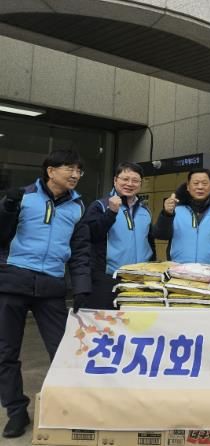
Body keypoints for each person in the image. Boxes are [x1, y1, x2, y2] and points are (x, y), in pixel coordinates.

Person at [0, 150, 90, 438]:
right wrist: (7, 208)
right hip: (12, 282)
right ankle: (16, 411)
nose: (75, 175)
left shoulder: (78, 206)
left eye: (79, 170)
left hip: (51, 286)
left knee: (64, 351)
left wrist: (81, 286)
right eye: (69, 168)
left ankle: (63, 407)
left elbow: (80, 251)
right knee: (6, 353)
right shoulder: (23, 197)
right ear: (50, 171)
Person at [80, 162, 155, 309]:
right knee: (106, 321)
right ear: (115, 180)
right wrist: (111, 213)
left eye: (135, 180)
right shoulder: (100, 206)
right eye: (125, 179)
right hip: (108, 279)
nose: (130, 184)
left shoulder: (145, 210)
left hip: (140, 279)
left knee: (136, 321)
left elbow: (149, 242)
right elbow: (91, 235)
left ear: (140, 184)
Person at [153, 168, 210, 264]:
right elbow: (161, 235)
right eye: (196, 183)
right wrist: (167, 214)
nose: (200, 187)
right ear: (188, 187)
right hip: (179, 269)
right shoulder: (175, 209)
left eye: (204, 183)